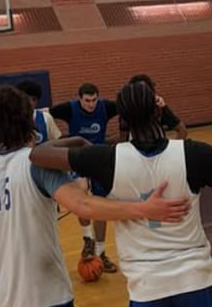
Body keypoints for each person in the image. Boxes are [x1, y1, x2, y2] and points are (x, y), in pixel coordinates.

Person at [0, 86, 190, 307]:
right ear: (28, 122)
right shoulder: (39, 164)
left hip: (6, 295)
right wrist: (144, 208)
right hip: (48, 294)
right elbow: (84, 205)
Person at [30, 80, 212, 306]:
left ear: (122, 120)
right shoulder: (194, 153)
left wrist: (79, 141)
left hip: (147, 286)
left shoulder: (106, 159)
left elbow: (38, 154)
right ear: (158, 112)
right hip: (196, 279)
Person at [49, 83, 119, 271]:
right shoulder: (69, 109)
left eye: (94, 100)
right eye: (87, 101)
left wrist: (119, 137)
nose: (91, 104)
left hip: (100, 158)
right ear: (80, 99)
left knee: (100, 207)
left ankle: (101, 252)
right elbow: (46, 114)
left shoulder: (106, 107)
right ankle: (88, 238)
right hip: (77, 159)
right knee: (80, 194)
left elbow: (127, 107)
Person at [119, 74, 187, 141]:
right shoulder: (127, 110)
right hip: (139, 148)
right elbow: (123, 137)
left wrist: (172, 149)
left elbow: (182, 130)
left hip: (156, 147)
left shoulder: (159, 107)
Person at [16, 80, 61, 144]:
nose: (30, 103)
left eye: (34, 99)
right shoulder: (10, 119)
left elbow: (57, 142)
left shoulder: (46, 117)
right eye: (26, 99)